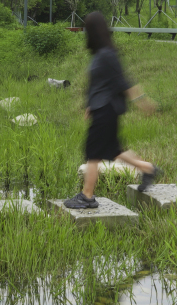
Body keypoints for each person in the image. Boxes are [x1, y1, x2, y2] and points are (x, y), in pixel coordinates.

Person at [64, 12, 163, 209]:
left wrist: (143, 102)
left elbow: (122, 82)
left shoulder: (108, 55)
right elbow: (100, 83)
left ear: (92, 31)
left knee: (93, 153)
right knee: (114, 150)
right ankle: (148, 169)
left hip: (106, 109)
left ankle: (87, 196)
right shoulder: (102, 54)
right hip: (102, 108)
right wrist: (90, 105)